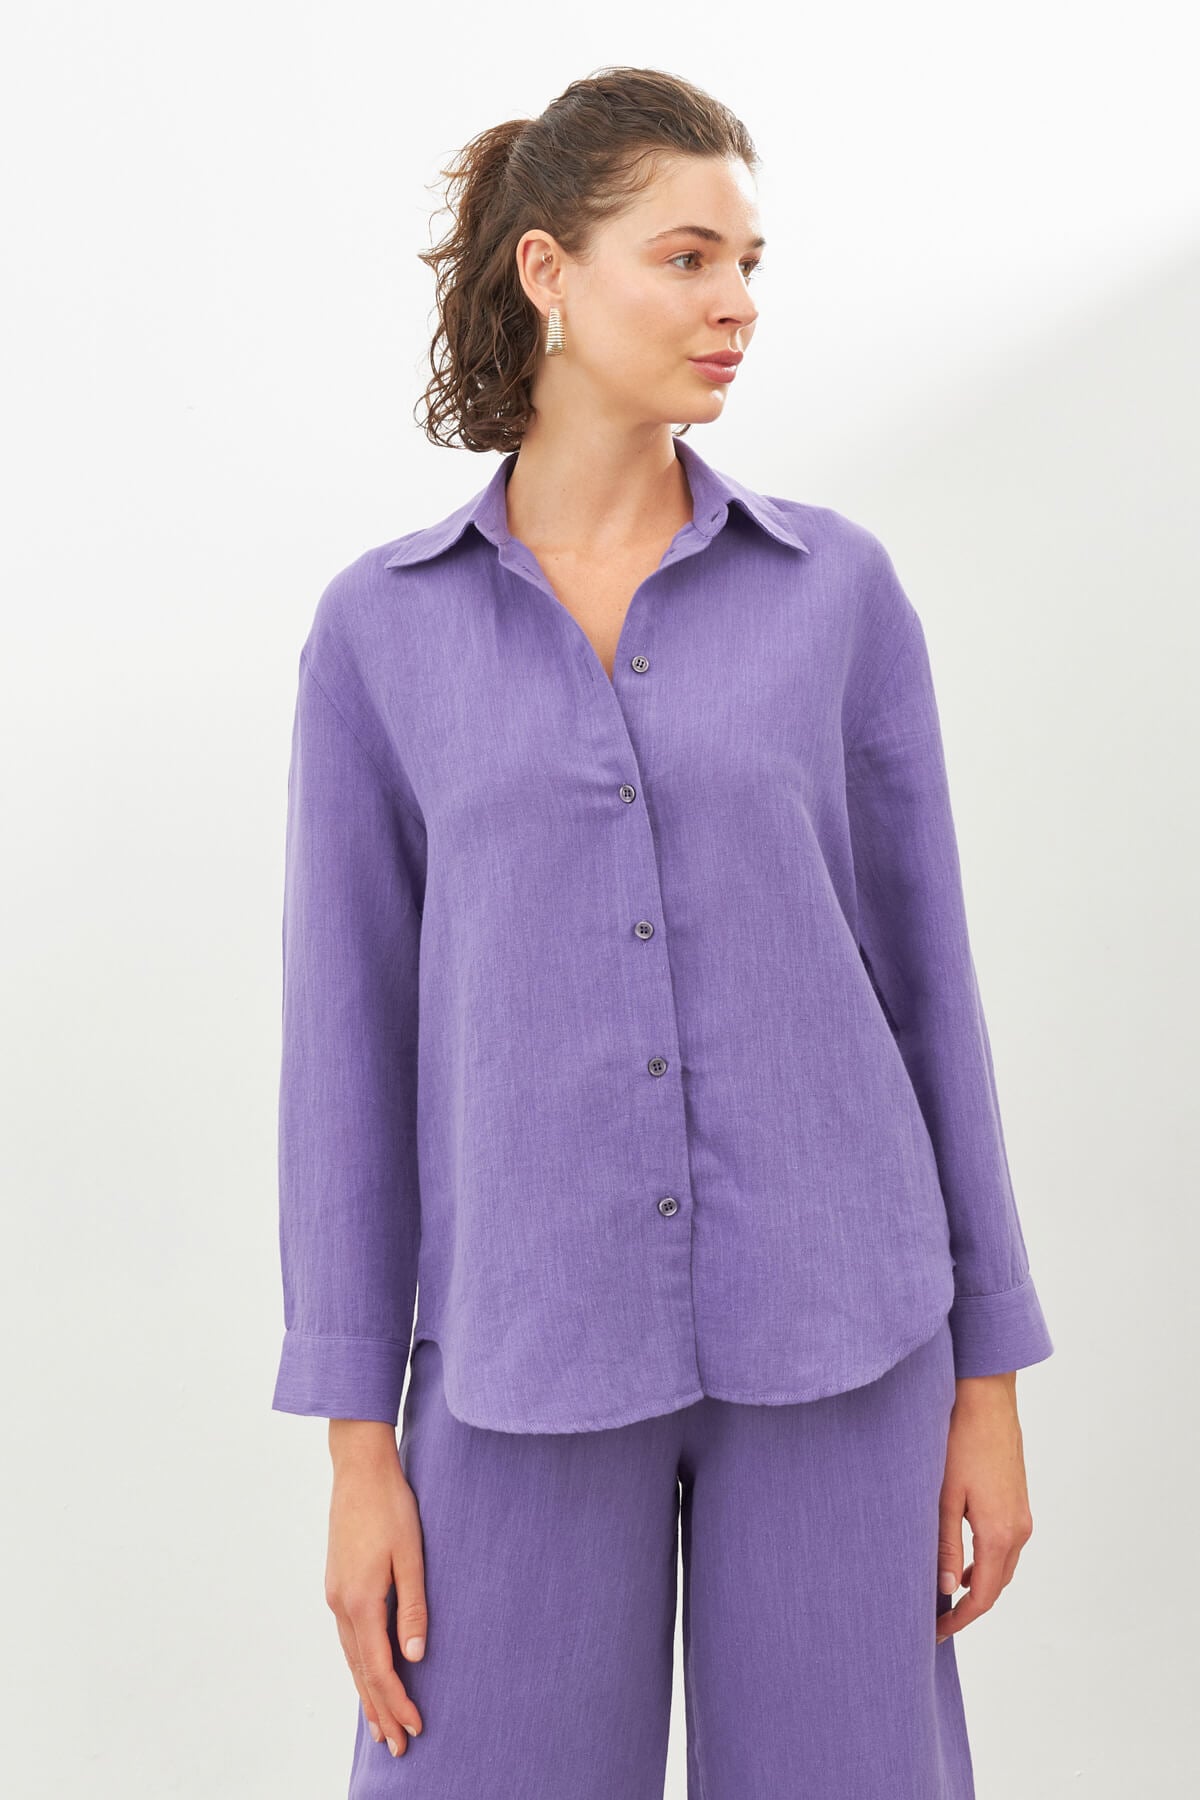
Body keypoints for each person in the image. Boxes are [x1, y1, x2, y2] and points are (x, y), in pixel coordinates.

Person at [270, 66, 1055, 1799]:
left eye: (750, 264)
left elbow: (933, 994)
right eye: (688, 258)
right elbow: (343, 1058)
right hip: (521, 1355)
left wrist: (989, 1382)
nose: (737, 305)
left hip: (846, 1342)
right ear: (548, 270)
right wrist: (355, 1453)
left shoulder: (836, 595)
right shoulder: (380, 637)